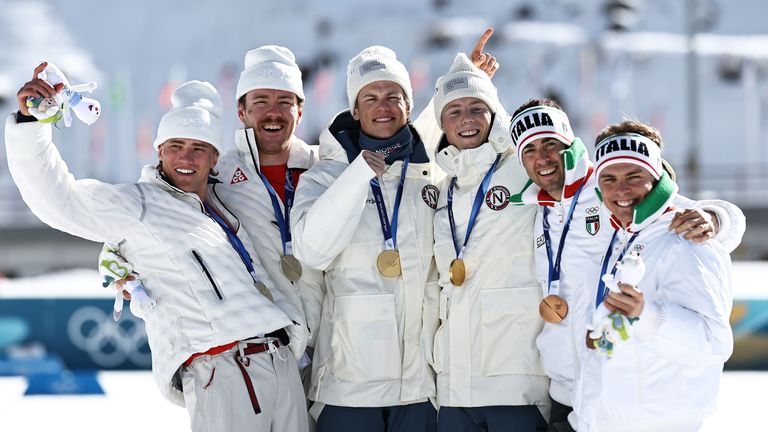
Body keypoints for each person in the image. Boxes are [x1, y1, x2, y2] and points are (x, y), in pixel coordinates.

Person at [7, 65, 308, 432]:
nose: (186, 157)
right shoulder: (140, 204)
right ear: (160, 152)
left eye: (199, 148)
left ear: (215, 158)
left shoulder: (223, 204)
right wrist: (30, 124)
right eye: (176, 146)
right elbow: (58, 200)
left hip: (280, 362)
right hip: (224, 369)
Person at [508, 101, 744, 431]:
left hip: (636, 405)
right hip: (578, 397)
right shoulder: (537, 208)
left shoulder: (603, 189)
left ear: (570, 144)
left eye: (551, 144)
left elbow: (680, 213)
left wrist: (718, 219)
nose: (543, 157)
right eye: (529, 149)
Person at [289, 45, 444, 432]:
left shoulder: (432, 176)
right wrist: (358, 176)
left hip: (421, 387)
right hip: (348, 387)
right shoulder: (324, 177)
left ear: (408, 105)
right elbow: (312, 250)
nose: (383, 107)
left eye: (394, 97)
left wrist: (469, 77)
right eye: (370, 98)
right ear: (355, 111)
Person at [572, 120, 734, 431]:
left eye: (634, 177)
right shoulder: (619, 234)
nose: (621, 190)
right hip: (606, 420)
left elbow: (713, 343)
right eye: (609, 179)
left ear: (656, 177)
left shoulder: (686, 238)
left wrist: (646, 316)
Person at [429, 53, 550, 431]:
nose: (467, 119)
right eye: (455, 111)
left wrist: (715, 216)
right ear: (441, 124)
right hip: (453, 389)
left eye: (477, 108)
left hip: (515, 382)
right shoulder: (442, 187)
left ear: (494, 114)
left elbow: (603, 182)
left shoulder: (522, 166)